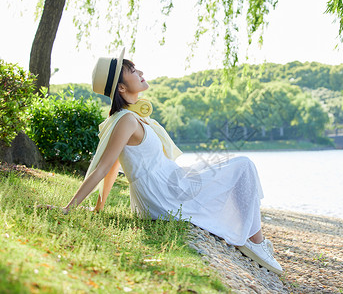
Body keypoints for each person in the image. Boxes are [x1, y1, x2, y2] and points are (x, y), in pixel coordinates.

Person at [61, 48, 283, 275]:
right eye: (132, 70)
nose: (140, 72)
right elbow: (104, 167)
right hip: (162, 193)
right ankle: (255, 242)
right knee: (243, 165)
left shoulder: (132, 117)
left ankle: (250, 238)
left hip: (169, 184)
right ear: (121, 87)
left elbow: (115, 165)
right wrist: (69, 208)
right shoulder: (126, 120)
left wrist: (99, 207)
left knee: (238, 168)